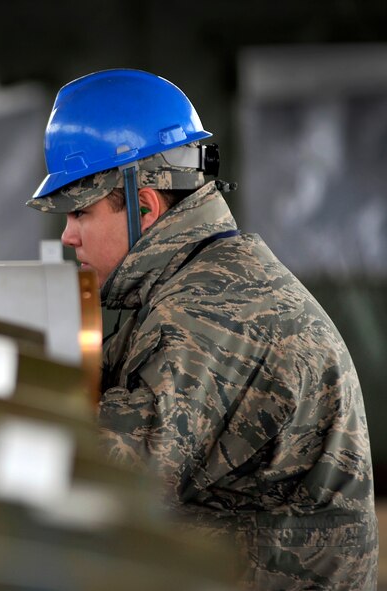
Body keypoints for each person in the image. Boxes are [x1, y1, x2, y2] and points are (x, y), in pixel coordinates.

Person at [26, 69, 378, 590]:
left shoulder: (209, 311)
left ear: (144, 206)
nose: (67, 235)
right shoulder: (205, 277)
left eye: (79, 212)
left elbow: (106, 480)